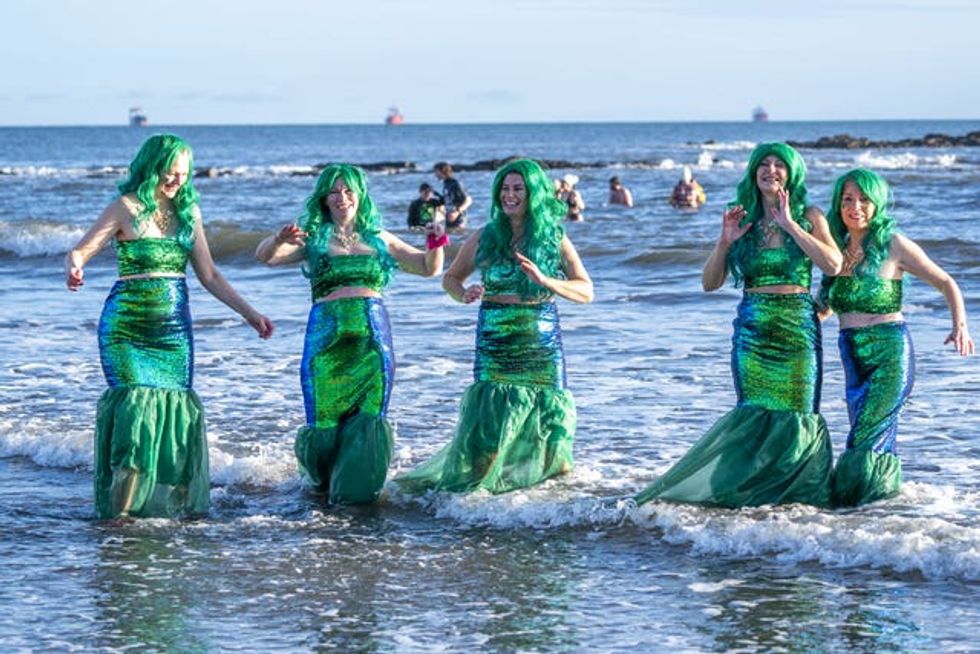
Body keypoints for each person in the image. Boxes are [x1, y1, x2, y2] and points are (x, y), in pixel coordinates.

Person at [65, 134, 274, 520]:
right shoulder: (125, 208)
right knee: (134, 420)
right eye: (169, 170)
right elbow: (81, 249)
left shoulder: (189, 214)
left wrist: (249, 313)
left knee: (171, 421)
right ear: (150, 166)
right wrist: (75, 267)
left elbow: (209, 275)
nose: (177, 179)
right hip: (126, 326)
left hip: (173, 332)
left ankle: (163, 510)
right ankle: (119, 517)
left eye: (183, 172)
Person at [635, 142, 843, 508]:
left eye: (780, 164)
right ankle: (746, 497)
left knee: (798, 415)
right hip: (754, 331)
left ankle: (796, 502)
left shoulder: (810, 215)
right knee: (753, 413)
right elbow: (709, 283)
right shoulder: (741, 218)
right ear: (753, 172)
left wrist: (790, 224)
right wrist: (724, 241)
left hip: (797, 328)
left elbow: (833, 265)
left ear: (792, 173)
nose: (772, 170)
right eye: (764, 164)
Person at [397, 158, 593, 494]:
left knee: (549, 427)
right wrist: (465, 294)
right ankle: (476, 502)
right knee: (487, 430)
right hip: (496, 343)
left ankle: (549, 504)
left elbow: (586, 290)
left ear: (534, 193)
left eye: (518, 188)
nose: (510, 195)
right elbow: (451, 279)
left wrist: (546, 280)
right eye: (505, 189)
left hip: (541, 345)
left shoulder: (553, 237)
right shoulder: (485, 236)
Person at [255, 163, 446, 504]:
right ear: (325, 199)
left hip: (372, 343)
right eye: (334, 191)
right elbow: (266, 257)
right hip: (326, 341)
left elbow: (429, 268)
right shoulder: (313, 238)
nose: (342, 197)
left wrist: (437, 235)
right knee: (324, 421)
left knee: (368, 420)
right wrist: (277, 239)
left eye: (348, 190)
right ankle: (322, 488)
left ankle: (357, 497)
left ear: (360, 195)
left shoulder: (380, 238)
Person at [817, 168, 974, 507]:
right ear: (838, 204)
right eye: (847, 199)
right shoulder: (836, 250)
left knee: (864, 438)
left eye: (864, 199)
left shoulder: (894, 245)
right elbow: (825, 307)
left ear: (877, 204)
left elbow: (946, 281)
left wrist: (960, 324)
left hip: (889, 353)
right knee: (872, 436)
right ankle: (879, 510)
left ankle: (852, 504)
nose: (855, 206)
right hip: (852, 356)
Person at [433, 162, 472, 230]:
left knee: (458, 238)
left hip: (459, 220)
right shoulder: (446, 184)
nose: (435, 174)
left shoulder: (455, 183)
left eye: (436, 172)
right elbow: (448, 201)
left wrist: (457, 212)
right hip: (449, 219)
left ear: (442, 171)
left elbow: (468, 200)